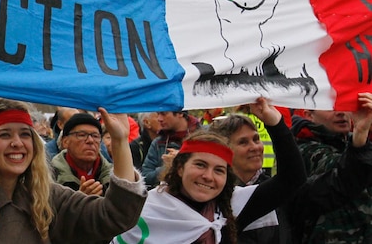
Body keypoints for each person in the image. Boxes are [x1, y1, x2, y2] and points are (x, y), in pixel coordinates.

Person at [0, 23, 146, 243]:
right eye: (5, 135)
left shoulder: (49, 199)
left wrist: (120, 140)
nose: (17, 143)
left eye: (25, 134)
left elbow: (115, 215)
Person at [115, 98, 305, 244]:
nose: (208, 176)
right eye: (200, 165)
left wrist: (275, 123)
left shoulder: (232, 206)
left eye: (219, 170)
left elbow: (292, 178)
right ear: (180, 167)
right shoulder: (149, 209)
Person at [290, 95, 372, 242]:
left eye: (344, 104)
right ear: (309, 116)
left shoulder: (356, 144)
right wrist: (360, 139)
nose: (340, 112)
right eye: (330, 107)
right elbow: (345, 173)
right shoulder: (303, 150)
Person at [52, 112, 112, 196]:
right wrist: (79, 201)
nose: (90, 140)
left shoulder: (114, 175)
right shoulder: (50, 175)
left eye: (95, 136)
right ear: (65, 142)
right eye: (82, 135)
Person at [141, 110, 201, 188]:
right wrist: (168, 167)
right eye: (158, 114)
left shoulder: (205, 137)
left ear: (180, 113)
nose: (159, 118)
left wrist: (181, 159)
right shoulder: (158, 142)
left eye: (163, 114)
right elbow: (145, 178)